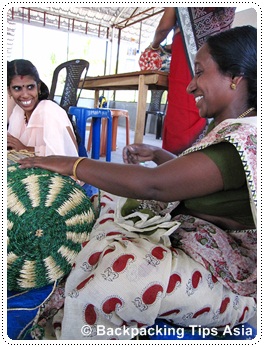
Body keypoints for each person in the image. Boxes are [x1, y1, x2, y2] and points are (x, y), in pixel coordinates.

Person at [19, 26, 257, 340]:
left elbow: (155, 186)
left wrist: (71, 163)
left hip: (232, 279)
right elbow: (205, 183)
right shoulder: (233, 128)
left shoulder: (244, 136)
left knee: (114, 279)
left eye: (199, 73)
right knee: (108, 202)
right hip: (200, 242)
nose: (189, 86)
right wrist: (159, 153)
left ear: (235, 78)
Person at [146, 7, 236, 154]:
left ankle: (175, 162)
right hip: (218, 57)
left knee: (183, 104)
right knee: (206, 104)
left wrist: (153, 46)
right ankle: (202, 159)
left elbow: (164, 28)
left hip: (186, 55)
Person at [7, 59, 79, 156]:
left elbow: (64, 154)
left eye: (30, 87)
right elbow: (12, 147)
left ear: (38, 87)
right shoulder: (17, 112)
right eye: (17, 88)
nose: (25, 95)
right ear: (9, 91)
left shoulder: (49, 109)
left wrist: (24, 149)